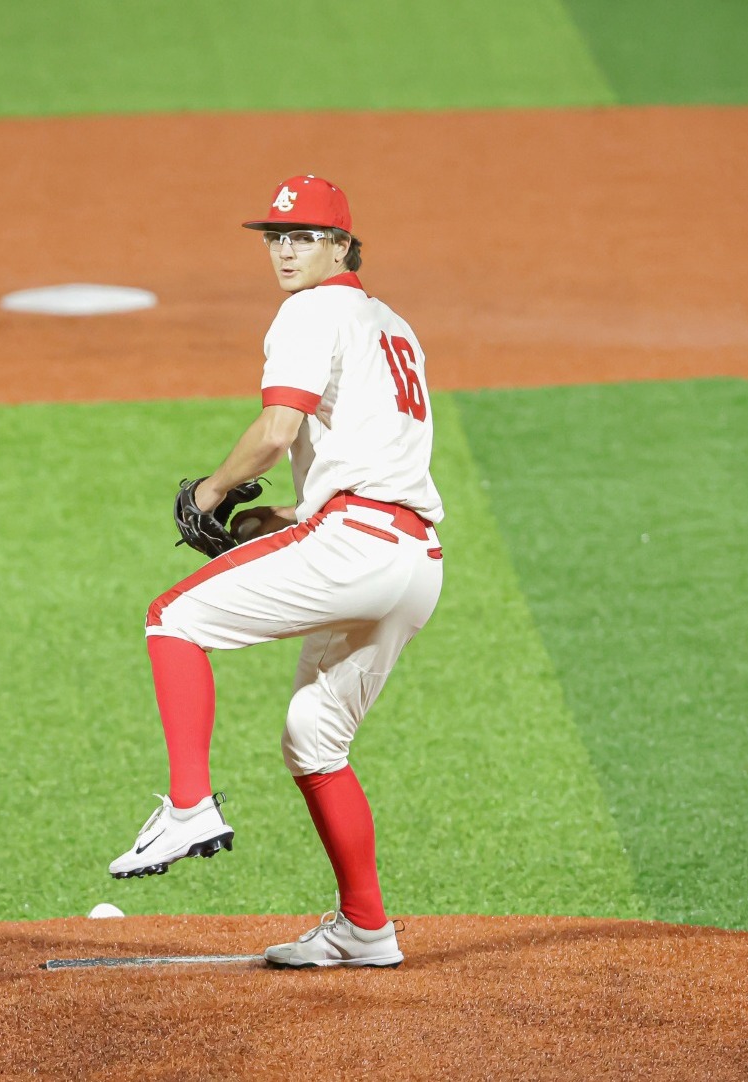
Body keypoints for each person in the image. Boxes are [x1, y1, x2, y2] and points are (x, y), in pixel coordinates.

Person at [108, 175, 444, 968]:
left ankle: (189, 806)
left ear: (341, 246)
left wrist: (212, 492)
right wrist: (285, 518)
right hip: (413, 558)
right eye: (276, 238)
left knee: (172, 618)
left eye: (303, 237)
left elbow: (277, 426)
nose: (286, 252)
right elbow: (373, 461)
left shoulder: (310, 310)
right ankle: (367, 930)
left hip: (357, 542)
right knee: (314, 737)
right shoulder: (394, 327)